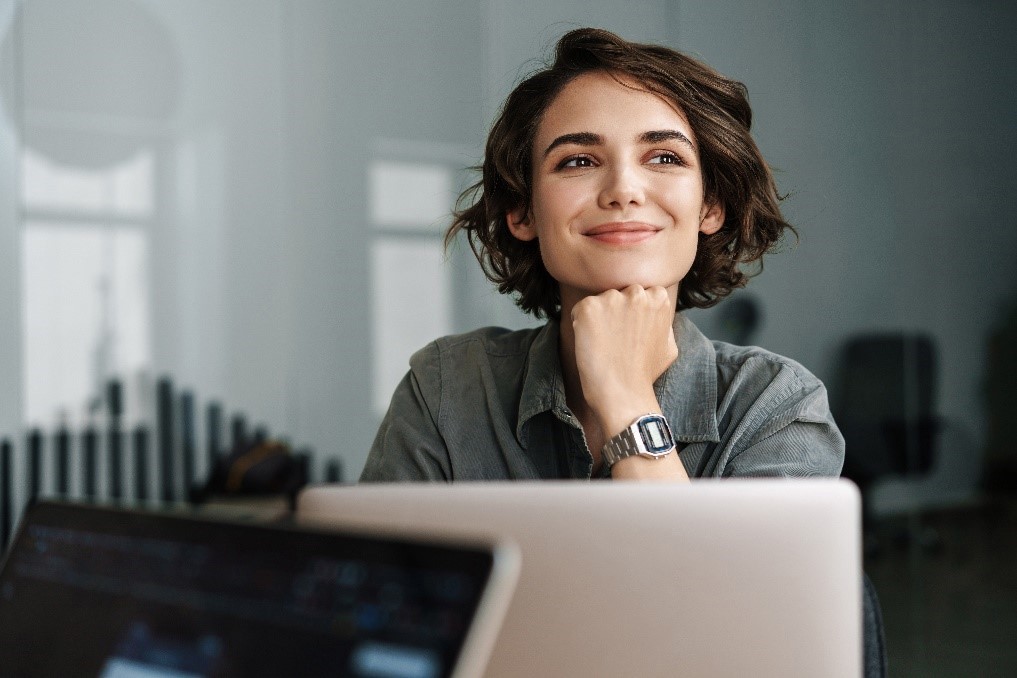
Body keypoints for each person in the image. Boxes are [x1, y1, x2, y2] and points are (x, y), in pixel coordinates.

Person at [361, 27, 844, 483]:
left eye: (664, 158)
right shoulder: (445, 389)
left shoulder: (776, 406)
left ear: (710, 205)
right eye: (578, 161)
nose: (623, 191)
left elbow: (707, 576)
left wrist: (626, 397)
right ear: (522, 211)